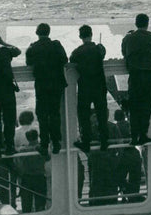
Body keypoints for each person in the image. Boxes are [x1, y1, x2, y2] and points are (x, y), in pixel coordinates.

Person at [26, 23, 68, 157]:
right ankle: (56, 142)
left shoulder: (33, 47)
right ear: (48, 32)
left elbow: (28, 62)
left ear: (37, 33)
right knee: (54, 113)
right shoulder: (56, 45)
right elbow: (64, 59)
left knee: (42, 114)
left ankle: (44, 143)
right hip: (56, 83)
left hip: (42, 85)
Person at [122, 13, 151, 145]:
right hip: (150, 75)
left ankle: (134, 137)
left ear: (136, 23)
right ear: (147, 24)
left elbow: (124, 53)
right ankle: (143, 134)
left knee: (134, 107)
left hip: (135, 75)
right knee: (147, 106)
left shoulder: (128, 38)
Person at [70, 24, 110, 153]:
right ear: (91, 35)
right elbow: (103, 54)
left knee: (84, 115)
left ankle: (86, 142)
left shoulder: (78, 51)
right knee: (102, 114)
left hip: (85, 87)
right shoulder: (99, 48)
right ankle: (104, 141)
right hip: (99, 86)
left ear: (80, 36)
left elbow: (72, 59)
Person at [14, 130, 48, 212]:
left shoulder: (23, 150)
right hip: (40, 177)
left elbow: (17, 161)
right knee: (40, 204)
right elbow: (48, 158)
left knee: (26, 205)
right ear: (37, 136)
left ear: (27, 138)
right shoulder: (42, 149)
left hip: (27, 178)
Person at [114, 109, 143, 202]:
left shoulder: (115, 127)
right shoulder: (130, 125)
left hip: (122, 155)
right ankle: (133, 196)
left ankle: (126, 191)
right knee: (135, 178)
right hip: (134, 154)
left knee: (119, 177)